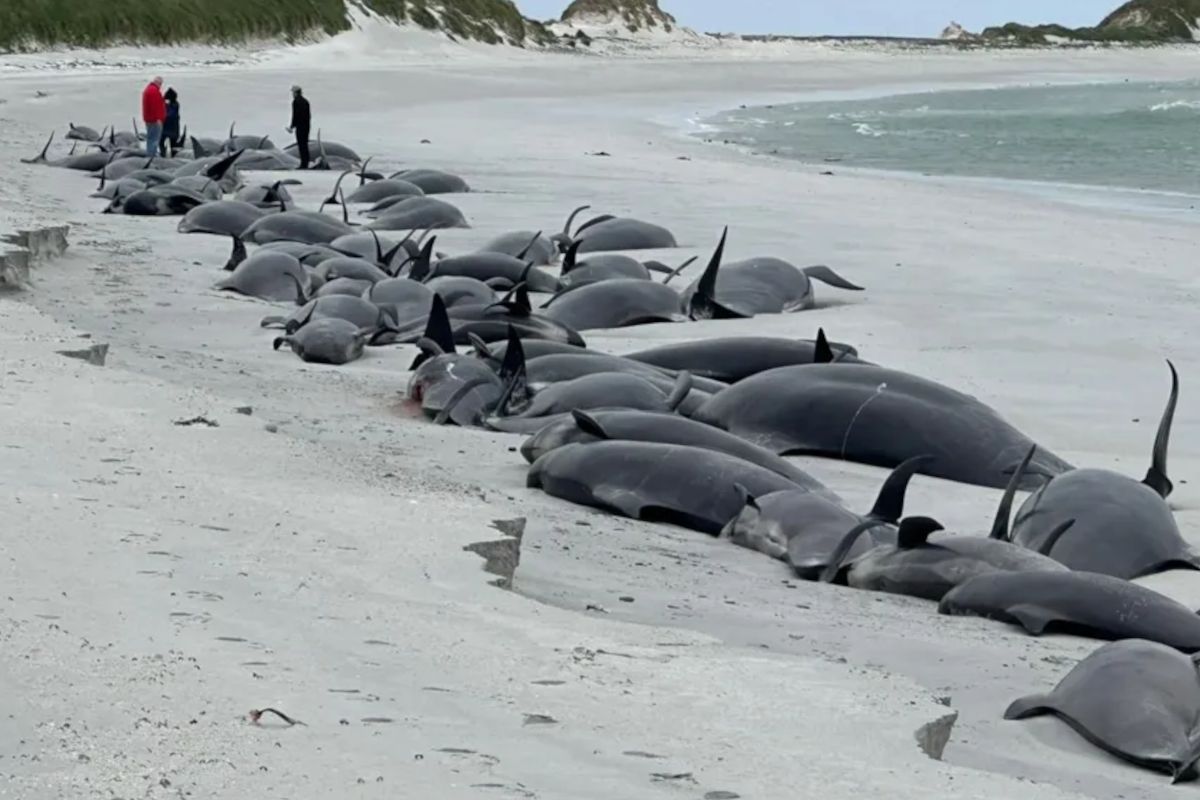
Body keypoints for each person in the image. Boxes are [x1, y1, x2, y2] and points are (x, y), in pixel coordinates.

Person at [286, 85, 311, 169]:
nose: (292, 94)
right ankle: (306, 163)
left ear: (296, 93)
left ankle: (303, 165)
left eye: (293, 92)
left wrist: (292, 126)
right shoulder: (306, 101)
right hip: (306, 126)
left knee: (301, 145)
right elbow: (308, 116)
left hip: (300, 127)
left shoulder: (295, 102)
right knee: (305, 145)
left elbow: (295, 115)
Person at [142, 76, 165, 158]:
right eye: (160, 84)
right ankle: (152, 157)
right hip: (154, 120)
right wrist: (158, 119)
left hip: (149, 119)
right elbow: (155, 106)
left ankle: (150, 154)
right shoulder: (154, 91)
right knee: (154, 139)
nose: (161, 86)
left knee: (150, 138)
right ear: (158, 83)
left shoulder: (148, 89)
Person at [161, 87, 181, 157]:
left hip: (169, 130)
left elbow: (169, 115)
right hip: (171, 130)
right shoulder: (175, 105)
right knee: (166, 146)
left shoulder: (173, 106)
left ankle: (166, 156)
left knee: (170, 147)